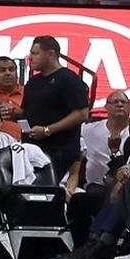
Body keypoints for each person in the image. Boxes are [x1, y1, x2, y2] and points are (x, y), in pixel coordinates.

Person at [20, 35, 89, 176]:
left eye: (35, 53)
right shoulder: (33, 82)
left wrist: (47, 130)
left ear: (51, 54)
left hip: (59, 150)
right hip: (32, 149)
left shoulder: (69, 79)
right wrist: (13, 113)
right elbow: (28, 112)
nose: (30, 57)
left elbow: (82, 113)